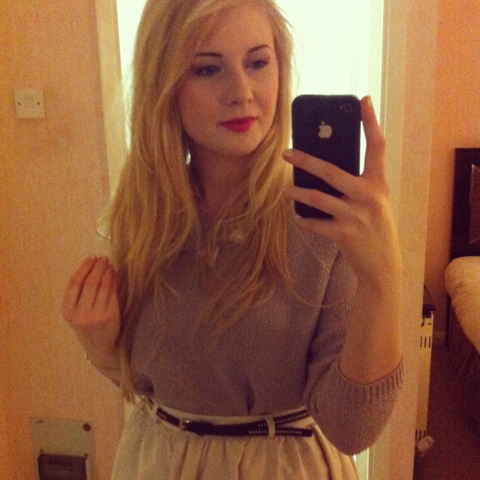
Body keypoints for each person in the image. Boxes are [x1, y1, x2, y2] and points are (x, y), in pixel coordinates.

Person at [62, 0, 404, 478]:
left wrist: (382, 276)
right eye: (207, 69)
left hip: (282, 467)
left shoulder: (323, 220)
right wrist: (101, 347)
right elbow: (156, 382)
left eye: (258, 63)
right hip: (156, 461)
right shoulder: (143, 215)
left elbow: (353, 428)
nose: (241, 93)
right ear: (166, 84)